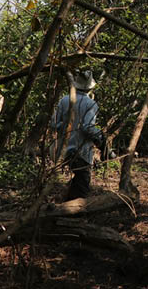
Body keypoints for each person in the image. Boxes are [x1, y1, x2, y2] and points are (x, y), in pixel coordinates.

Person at [50, 70, 107, 200]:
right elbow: (88, 128)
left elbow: (53, 124)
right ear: (90, 88)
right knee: (83, 185)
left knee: (78, 180)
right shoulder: (91, 104)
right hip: (81, 152)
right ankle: (75, 213)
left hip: (62, 150)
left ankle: (65, 203)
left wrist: (65, 126)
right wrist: (100, 137)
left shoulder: (64, 100)